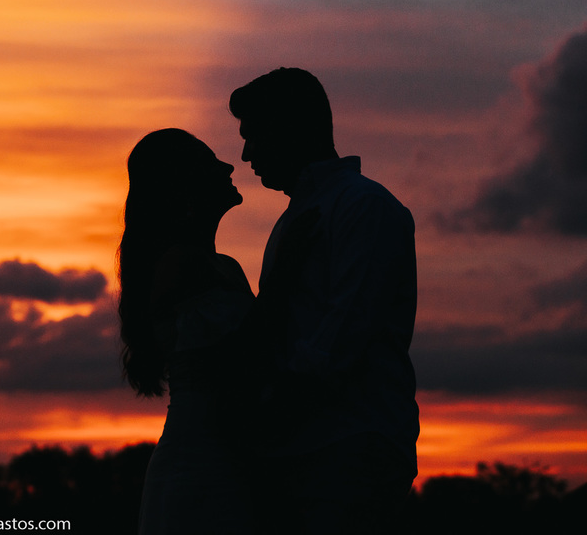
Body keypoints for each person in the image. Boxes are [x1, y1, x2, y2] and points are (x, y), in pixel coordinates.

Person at [229, 67, 419, 534]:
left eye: (255, 136)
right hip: (303, 451)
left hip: (348, 448)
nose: (246, 153)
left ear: (291, 128)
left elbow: (345, 333)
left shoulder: (363, 206)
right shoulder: (296, 219)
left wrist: (268, 410)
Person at [119, 128, 256, 535]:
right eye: (211, 161)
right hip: (207, 467)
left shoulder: (197, 265)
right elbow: (251, 352)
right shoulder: (187, 267)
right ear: (184, 184)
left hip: (212, 458)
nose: (229, 165)